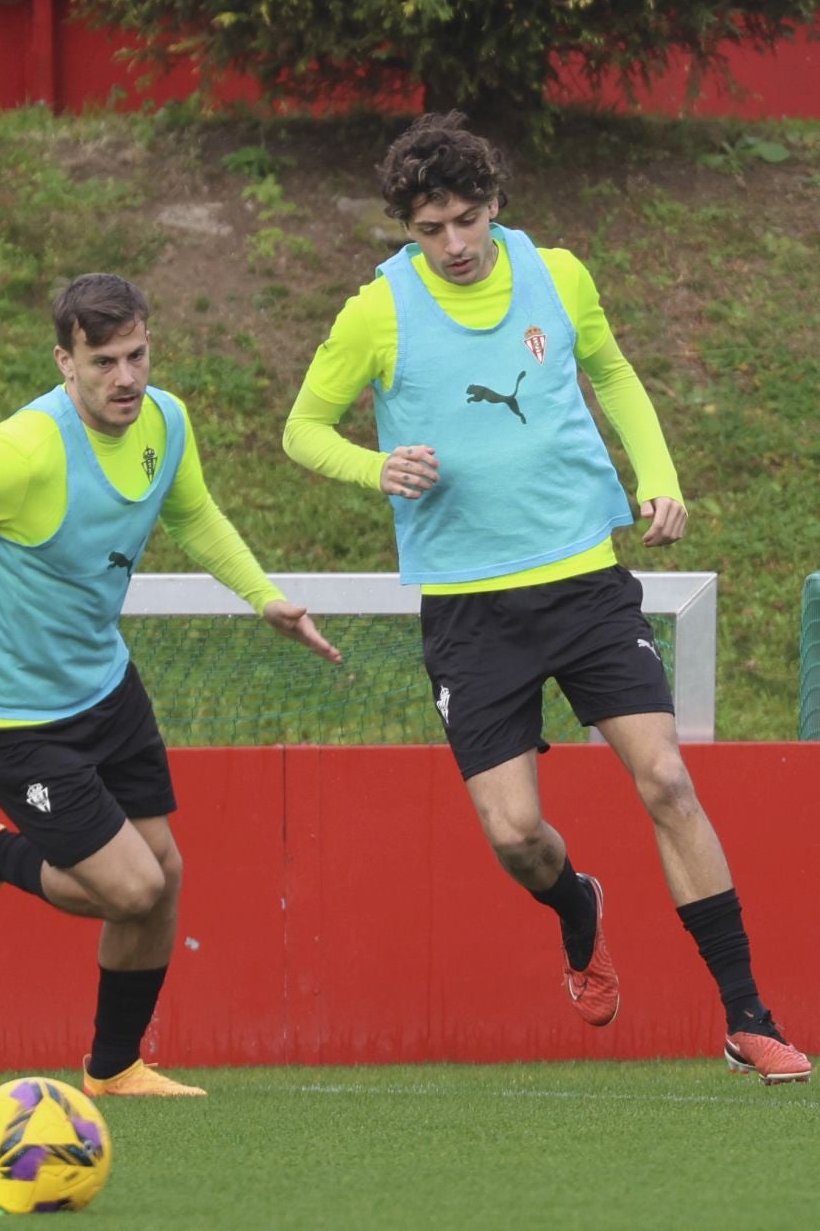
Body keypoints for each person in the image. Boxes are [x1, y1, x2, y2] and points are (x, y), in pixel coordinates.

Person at [283, 111, 808, 1084]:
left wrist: (658, 473)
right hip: (472, 608)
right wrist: (376, 467)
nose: (455, 244)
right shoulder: (379, 312)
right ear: (407, 226)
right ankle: (576, 905)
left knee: (666, 779)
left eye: (468, 219)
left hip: (583, 581)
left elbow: (609, 368)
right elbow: (301, 428)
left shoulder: (558, 272)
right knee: (518, 834)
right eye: (431, 228)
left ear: (496, 204)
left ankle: (746, 1016)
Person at [0, 272, 340, 1097]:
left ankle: (114, 1070)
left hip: (103, 685)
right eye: (104, 361)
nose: (126, 378)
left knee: (166, 876)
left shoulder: (166, 421)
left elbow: (191, 513)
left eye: (138, 355)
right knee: (132, 888)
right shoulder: (24, 452)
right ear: (65, 361)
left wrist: (263, 596)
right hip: (10, 709)